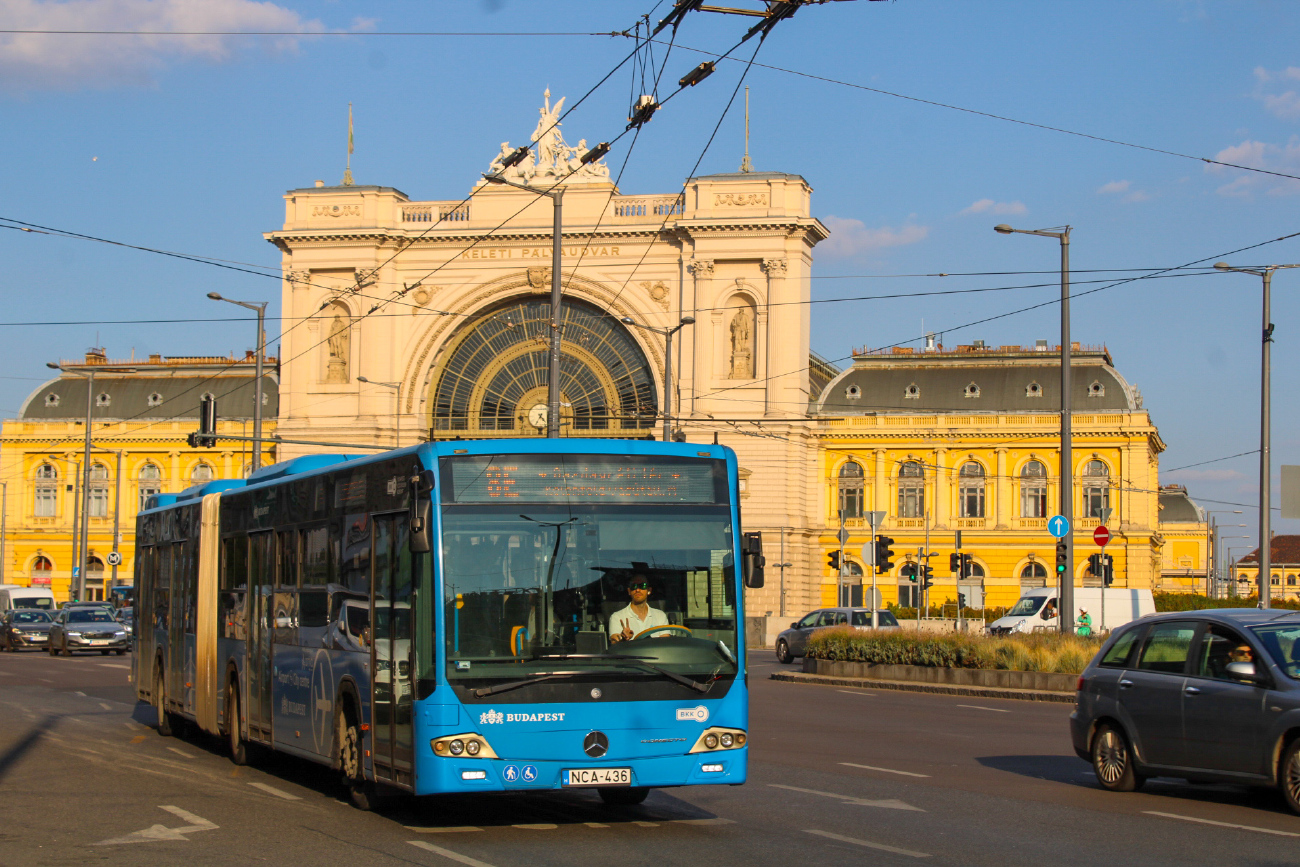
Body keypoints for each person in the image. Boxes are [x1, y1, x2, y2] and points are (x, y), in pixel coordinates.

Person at [608, 575, 668, 643]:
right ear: (629, 591)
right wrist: (624, 639)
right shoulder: (617, 617)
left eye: (643, 586)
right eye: (634, 586)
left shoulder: (660, 616)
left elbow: (665, 643)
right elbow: (614, 644)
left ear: (649, 590)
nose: (637, 590)